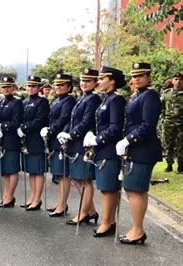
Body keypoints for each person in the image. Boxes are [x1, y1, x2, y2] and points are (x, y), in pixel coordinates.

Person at [115, 63, 162, 244]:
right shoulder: (137, 95)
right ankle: (137, 228)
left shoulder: (150, 96)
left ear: (148, 77)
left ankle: (137, 230)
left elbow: (148, 126)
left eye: (141, 75)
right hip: (136, 149)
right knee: (135, 190)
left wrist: (129, 139)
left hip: (143, 149)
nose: (136, 79)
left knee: (135, 189)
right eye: (134, 76)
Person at [84, 66, 126, 237]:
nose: (99, 81)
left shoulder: (116, 100)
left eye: (102, 79)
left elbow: (115, 128)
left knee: (108, 188)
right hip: (102, 148)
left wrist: (98, 138)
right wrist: (92, 135)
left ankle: (107, 222)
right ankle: (108, 221)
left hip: (109, 149)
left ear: (112, 81)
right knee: (104, 187)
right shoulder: (105, 99)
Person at [57, 69, 101, 225]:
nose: (84, 83)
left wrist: (72, 134)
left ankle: (83, 213)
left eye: (88, 81)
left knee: (84, 180)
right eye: (83, 80)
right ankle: (91, 211)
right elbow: (73, 120)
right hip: (75, 143)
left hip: (84, 143)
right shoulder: (83, 98)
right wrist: (65, 133)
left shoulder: (93, 99)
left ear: (96, 82)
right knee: (76, 178)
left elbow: (87, 121)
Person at [42, 73, 76, 217]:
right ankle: (60, 203)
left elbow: (63, 119)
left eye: (62, 85)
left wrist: (50, 130)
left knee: (63, 175)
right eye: (56, 84)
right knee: (59, 175)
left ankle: (62, 205)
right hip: (55, 140)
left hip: (62, 140)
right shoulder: (58, 100)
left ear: (69, 87)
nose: (58, 87)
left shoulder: (69, 100)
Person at [17, 75, 50, 210]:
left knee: (38, 171)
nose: (30, 88)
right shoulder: (24, 102)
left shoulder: (42, 102)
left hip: (36, 139)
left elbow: (40, 120)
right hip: (26, 140)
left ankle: (37, 199)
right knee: (30, 171)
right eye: (28, 86)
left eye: (33, 86)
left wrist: (23, 127)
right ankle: (32, 197)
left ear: (39, 87)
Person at [0, 77, 23, 208]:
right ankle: (6, 195)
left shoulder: (17, 102)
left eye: (8, 86)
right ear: (0, 88)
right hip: (2, 140)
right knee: (5, 170)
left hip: (12, 139)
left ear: (13, 88)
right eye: (3, 87)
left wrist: (1, 126)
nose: (5, 89)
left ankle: (10, 196)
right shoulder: (0, 102)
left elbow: (16, 122)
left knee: (12, 169)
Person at [161, 72, 183, 174]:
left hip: (181, 124)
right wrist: (162, 119)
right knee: (168, 144)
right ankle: (169, 165)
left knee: (181, 145)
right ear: (172, 81)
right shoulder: (166, 93)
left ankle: (181, 166)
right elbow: (161, 107)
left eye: (180, 79)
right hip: (168, 123)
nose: (178, 82)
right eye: (176, 79)